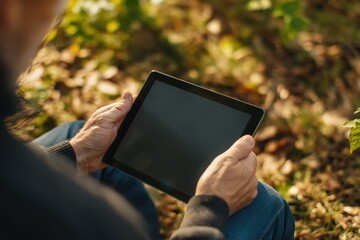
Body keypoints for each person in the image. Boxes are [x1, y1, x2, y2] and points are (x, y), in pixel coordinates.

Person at [0, 0, 295, 239]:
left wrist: (77, 154)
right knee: (264, 206)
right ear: (9, 12)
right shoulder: (99, 222)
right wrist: (208, 210)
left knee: (95, 142)